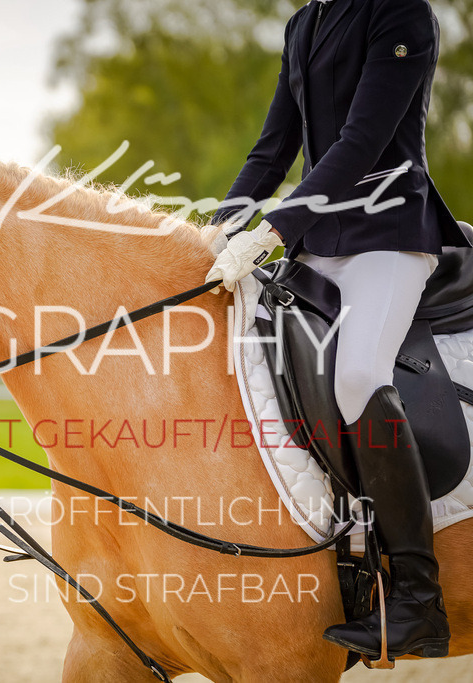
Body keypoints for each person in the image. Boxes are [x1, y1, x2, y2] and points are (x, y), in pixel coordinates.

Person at [205, 0, 471, 660]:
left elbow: (361, 143)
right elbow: (274, 148)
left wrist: (269, 231)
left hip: (389, 239)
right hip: (317, 246)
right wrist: (213, 232)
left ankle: (416, 597)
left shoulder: (402, 14)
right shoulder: (304, 23)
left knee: (357, 373)